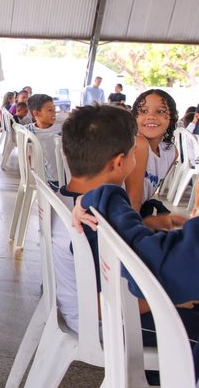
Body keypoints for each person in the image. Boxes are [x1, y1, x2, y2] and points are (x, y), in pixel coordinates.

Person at [57, 105, 194, 346]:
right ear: (119, 162)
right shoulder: (94, 224)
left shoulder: (73, 201)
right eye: (134, 153)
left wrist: (144, 224)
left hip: (97, 309)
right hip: (109, 321)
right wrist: (172, 299)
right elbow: (104, 301)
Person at [124, 89, 178, 219]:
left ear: (172, 118)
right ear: (134, 117)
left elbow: (145, 196)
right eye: (143, 111)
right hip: (110, 223)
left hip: (132, 216)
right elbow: (133, 202)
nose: (151, 116)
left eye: (160, 111)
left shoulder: (170, 152)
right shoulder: (138, 144)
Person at [25, 94, 62, 184]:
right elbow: (28, 157)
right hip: (49, 180)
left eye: (54, 109)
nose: (54, 113)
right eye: (50, 110)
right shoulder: (28, 131)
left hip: (67, 176)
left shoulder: (62, 125)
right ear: (36, 113)